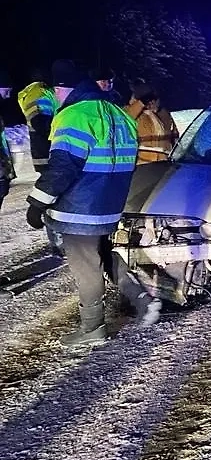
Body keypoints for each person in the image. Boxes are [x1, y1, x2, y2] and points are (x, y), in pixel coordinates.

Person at [26, 59, 140, 347]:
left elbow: (63, 167)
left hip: (80, 209)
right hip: (109, 206)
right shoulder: (119, 113)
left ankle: (92, 328)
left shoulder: (74, 115)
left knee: (86, 267)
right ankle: (143, 298)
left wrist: (38, 202)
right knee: (102, 255)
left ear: (63, 88)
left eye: (56, 90)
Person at [17, 67, 58, 174]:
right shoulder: (40, 92)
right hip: (46, 146)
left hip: (40, 147)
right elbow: (40, 121)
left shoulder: (32, 92)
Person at [134, 89, 179, 163]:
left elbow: (175, 139)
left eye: (155, 99)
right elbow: (125, 117)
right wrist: (139, 105)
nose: (152, 102)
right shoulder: (133, 114)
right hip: (142, 164)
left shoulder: (165, 115)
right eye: (149, 100)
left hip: (164, 163)